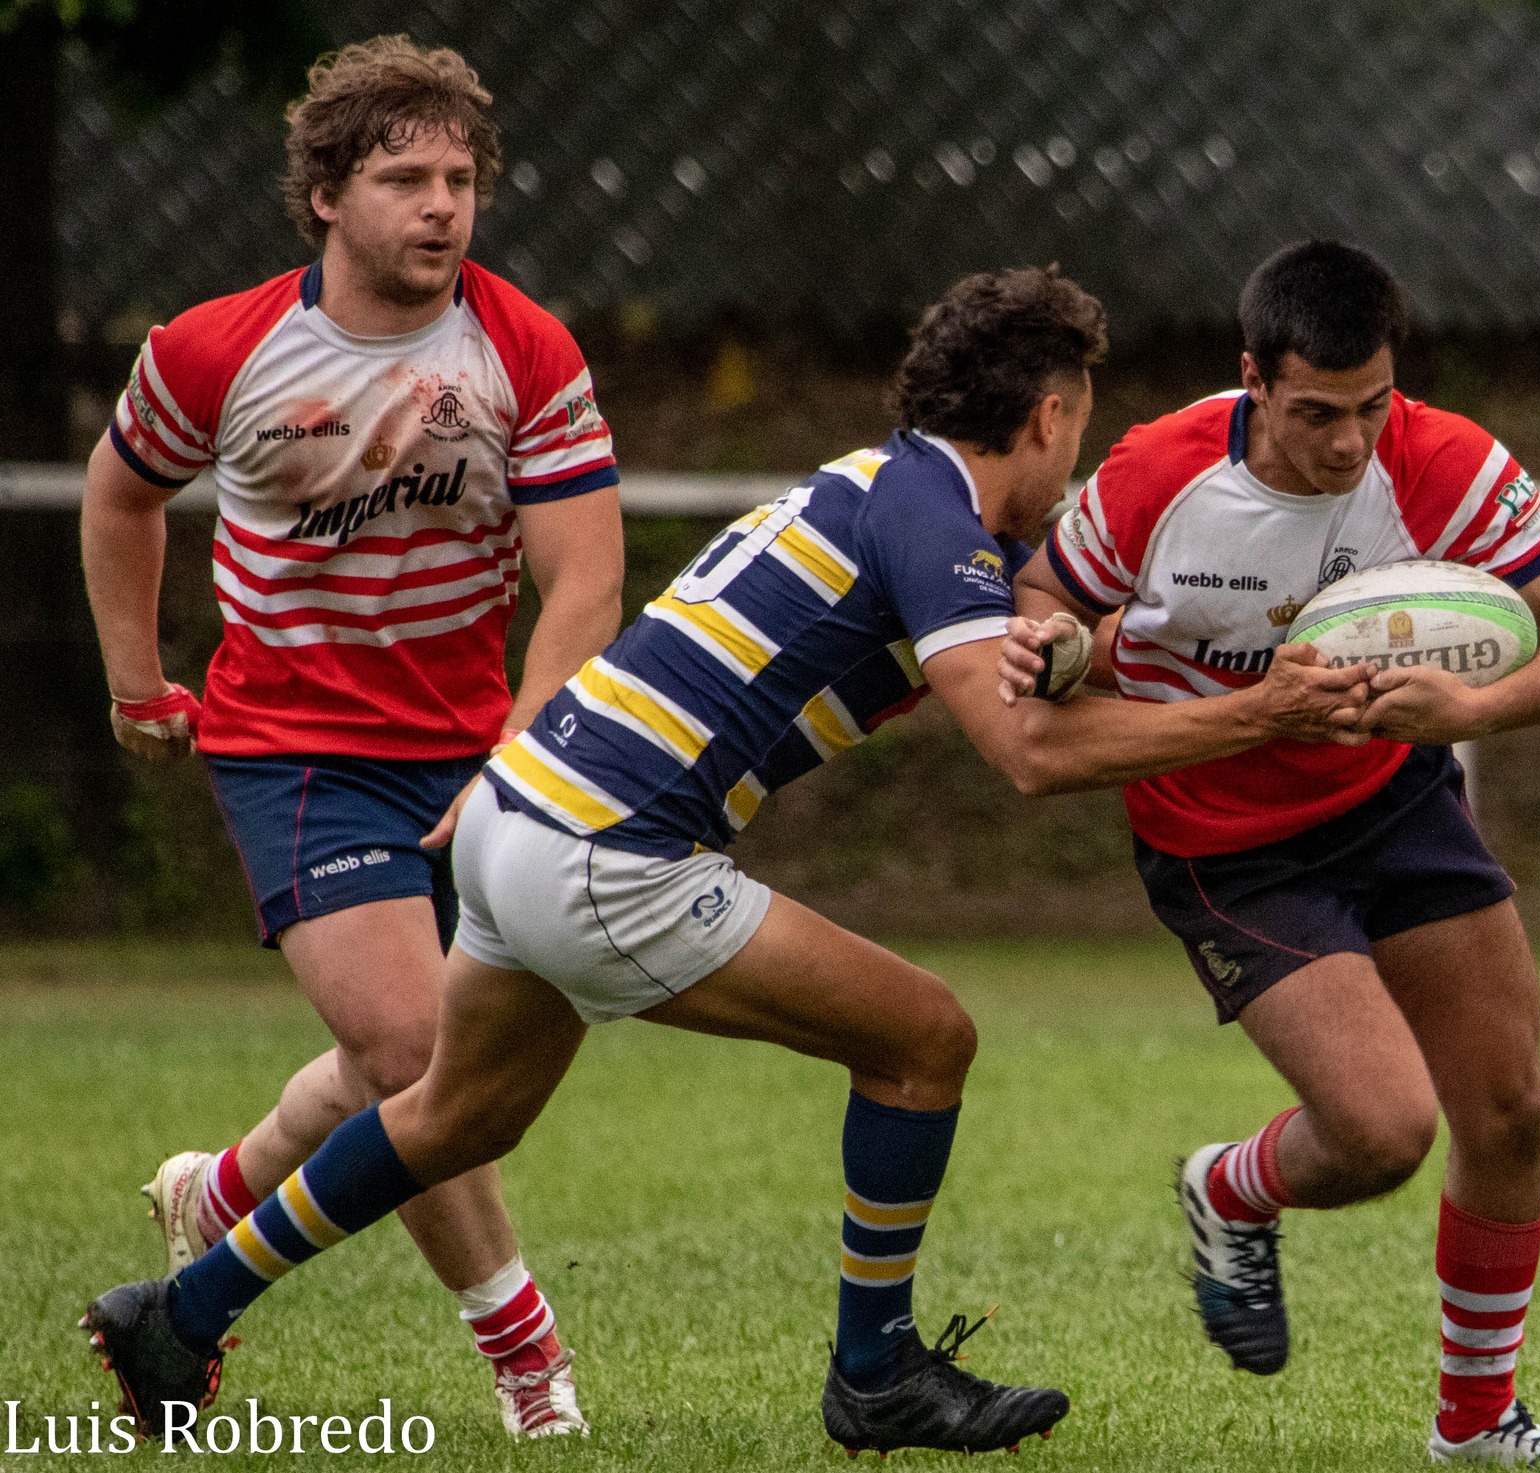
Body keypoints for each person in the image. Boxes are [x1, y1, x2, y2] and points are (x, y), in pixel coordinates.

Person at [83, 266, 1378, 1453]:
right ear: (1047, 416)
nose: (1077, 450)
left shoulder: (892, 487)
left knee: (454, 1113)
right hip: (609, 847)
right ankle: (874, 1372)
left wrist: (1087, 644)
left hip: (517, 816)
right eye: (1080, 420)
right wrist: (1266, 708)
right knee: (925, 1038)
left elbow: (1040, 630)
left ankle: (176, 1315)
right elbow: (1026, 754)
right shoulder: (933, 517)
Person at [996, 241, 1540, 1465]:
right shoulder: (1158, 475)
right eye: (1313, 413)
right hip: (1221, 837)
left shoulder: (1439, 461)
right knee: (1383, 1133)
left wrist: (1468, 713)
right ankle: (1231, 1187)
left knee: (1508, 1110)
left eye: (1369, 407)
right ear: (1250, 377)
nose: (1348, 443)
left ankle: (1474, 1424)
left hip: (1391, 801)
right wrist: (1060, 646)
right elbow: (1046, 595)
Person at [78, 36, 623, 1438]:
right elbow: (122, 495)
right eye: (403, 178)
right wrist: (140, 683)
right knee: (416, 1050)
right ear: (326, 193)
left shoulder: (524, 347)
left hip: (475, 755)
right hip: (294, 750)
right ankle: (528, 1361)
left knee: (439, 1069)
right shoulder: (217, 348)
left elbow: (587, 581)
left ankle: (229, 1187)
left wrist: (519, 751)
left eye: (459, 178)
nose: (441, 206)